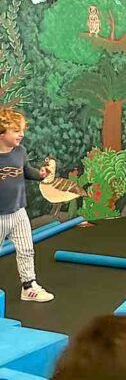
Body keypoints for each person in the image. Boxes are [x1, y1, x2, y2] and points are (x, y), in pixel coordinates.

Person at [0, 107, 54, 302]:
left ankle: (29, 286)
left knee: (26, 249)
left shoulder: (20, 152)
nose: (21, 134)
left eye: (22, 130)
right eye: (16, 130)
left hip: (18, 211)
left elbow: (25, 170)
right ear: (2, 131)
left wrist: (39, 175)